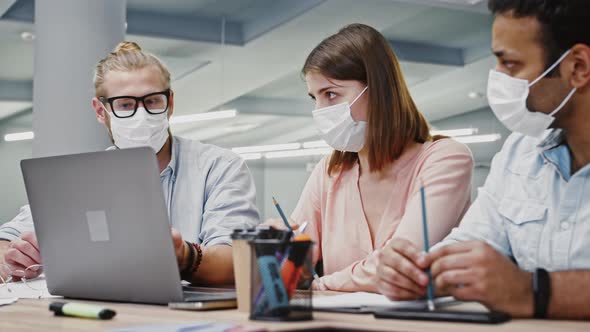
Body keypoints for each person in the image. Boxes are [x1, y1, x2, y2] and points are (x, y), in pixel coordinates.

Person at [376, 0, 590, 319]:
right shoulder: (520, 154)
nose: (498, 78)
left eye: (511, 64)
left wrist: (531, 290)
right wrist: (417, 272)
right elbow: (471, 245)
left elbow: (520, 289)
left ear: (578, 67)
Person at [0, 42, 260, 285]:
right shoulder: (79, 179)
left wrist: (183, 255)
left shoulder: (220, 167)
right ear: (101, 111)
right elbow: (6, 241)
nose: (141, 115)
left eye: (151, 101)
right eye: (125, 104)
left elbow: (236, 261)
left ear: (169, 103)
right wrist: (11, 257)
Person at [268, 24, 474, 293]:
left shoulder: (445, 159)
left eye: (331, 94)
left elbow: (397, 267)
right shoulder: (329, 173)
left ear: (378, 90)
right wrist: (284, 250)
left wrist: (322, 285)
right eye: (314, 98)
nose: (319, 111)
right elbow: (300, 261)